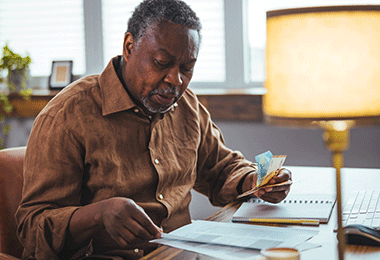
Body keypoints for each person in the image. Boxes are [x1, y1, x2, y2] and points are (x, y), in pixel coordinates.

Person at [16, 0, 292, 259]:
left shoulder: (187, 105)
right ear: (129, 46)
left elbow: (220, 169)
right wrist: (98, 215)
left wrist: (255, 182)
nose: (176, 80)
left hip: (182, 253)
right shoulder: (67, 116)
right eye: (161, 63)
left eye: (187, 67)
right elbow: (32, 231)